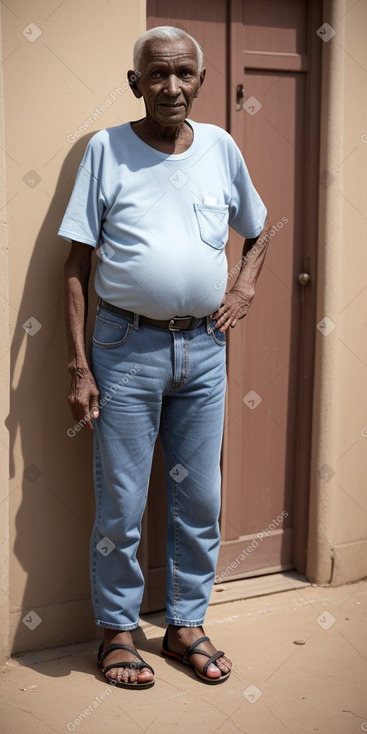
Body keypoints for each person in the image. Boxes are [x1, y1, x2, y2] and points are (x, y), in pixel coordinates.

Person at [60, 25, 270, 689]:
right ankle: (117, 633)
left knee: (198, 498)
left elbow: (260, 229)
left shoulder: (220, 148)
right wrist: (78, 366)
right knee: (121, 502)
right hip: (124, 348)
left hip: (204, 351)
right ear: (135, 83)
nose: (170, 87)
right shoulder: (106, 150)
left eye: (183, 74)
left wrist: (243, 285)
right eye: (156, 74)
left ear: (199, 82)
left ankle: (184, 625)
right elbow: (75, 263)